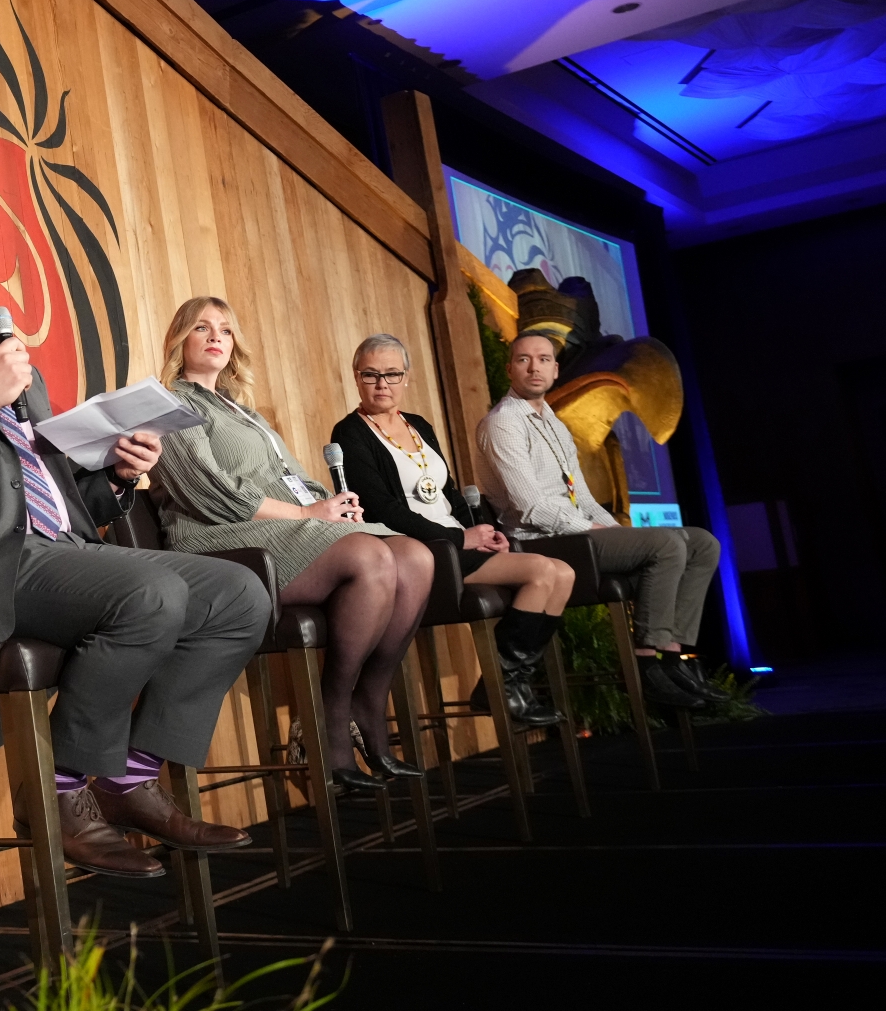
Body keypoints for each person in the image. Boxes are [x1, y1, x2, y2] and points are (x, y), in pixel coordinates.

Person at [0, 193, 273, 879]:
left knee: (240, 594)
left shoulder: (13, 365)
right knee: (153, 589)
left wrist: (119, 473)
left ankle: (128, 779)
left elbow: (61, 493)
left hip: (57, 551)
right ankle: (58, 795)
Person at [147, 298, 433, 790]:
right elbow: (210, 494)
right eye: (202, 328)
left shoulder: (243, 411)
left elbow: (294, 478)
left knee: (416, 557)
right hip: (218, 538)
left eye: (225, 330)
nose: (216, 337)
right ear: (179, 339)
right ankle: (328, 718)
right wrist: (308, 515)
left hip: (281, 526)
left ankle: (368, 704)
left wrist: (332, 506)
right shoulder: (171, 403)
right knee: (369, 556)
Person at [329, 334, 573, 726]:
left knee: (564, 574)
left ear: (406, 377)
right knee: (544, 571)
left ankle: (512, 685)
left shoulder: (419, 425)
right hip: (424, 552)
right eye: (371, 374)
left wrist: (483, 530)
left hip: (459, 539)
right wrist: (461, 538)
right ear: (356, 378)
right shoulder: (350, 433)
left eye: (392, 374)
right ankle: (499, 688)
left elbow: (450, 492)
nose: (382, 384)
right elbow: (382, 509)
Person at [477, 331, 726, 710]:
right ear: (510, 369)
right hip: (539, 542)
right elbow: (530, 507)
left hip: (575, 535)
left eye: (543, 359)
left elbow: (584, 499)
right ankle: (647, 665)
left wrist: (613, 529)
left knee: (704, 543)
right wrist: (589, 528)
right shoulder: (503, 422)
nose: (534, 367)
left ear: (555, 370)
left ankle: (672, 657)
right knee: (666, 543)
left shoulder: (554, 424)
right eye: (524, 359)